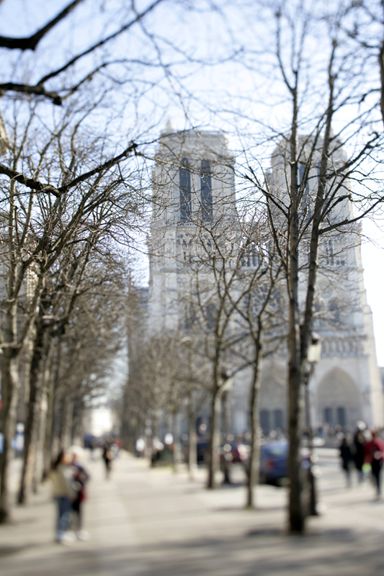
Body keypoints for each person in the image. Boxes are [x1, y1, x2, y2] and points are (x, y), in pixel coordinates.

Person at [49, 449, 75, 544]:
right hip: (64, 494)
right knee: (64, 515)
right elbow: (66, 483)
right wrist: (71, 494)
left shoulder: (55, 468)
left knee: (60, 515)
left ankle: (59, 533)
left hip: (57, 494)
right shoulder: (62, 468)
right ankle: (61, 534)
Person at [69, 447, 90, 540]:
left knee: (79, 512)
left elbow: (87, 476)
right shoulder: (68, 465)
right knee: (69, 513)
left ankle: (79, 530)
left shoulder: (80, 466)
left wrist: (81, 481)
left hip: (78, 493)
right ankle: (70, 531)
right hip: (69, 493)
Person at [364, 429, 384, 500]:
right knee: (374, 477)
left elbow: (382, 451)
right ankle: (377, 490)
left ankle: (378, 491)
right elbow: (366, 453)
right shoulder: (370, 443)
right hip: (372, 463)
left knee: (377, 477)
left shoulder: (379, 442)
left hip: (378, 462)